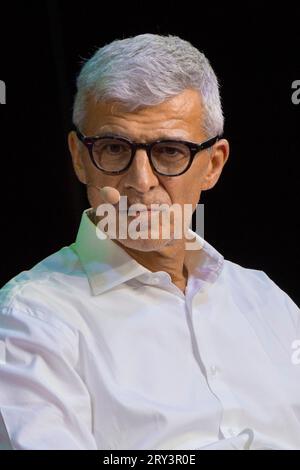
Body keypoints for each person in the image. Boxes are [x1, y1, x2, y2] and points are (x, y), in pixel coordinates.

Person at [0, 33, 299, 450]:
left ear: (213, 165)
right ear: (79, 158)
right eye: (114, 148)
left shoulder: (268, 301)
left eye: (171, 151)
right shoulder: (29, 318)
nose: (141, 182)